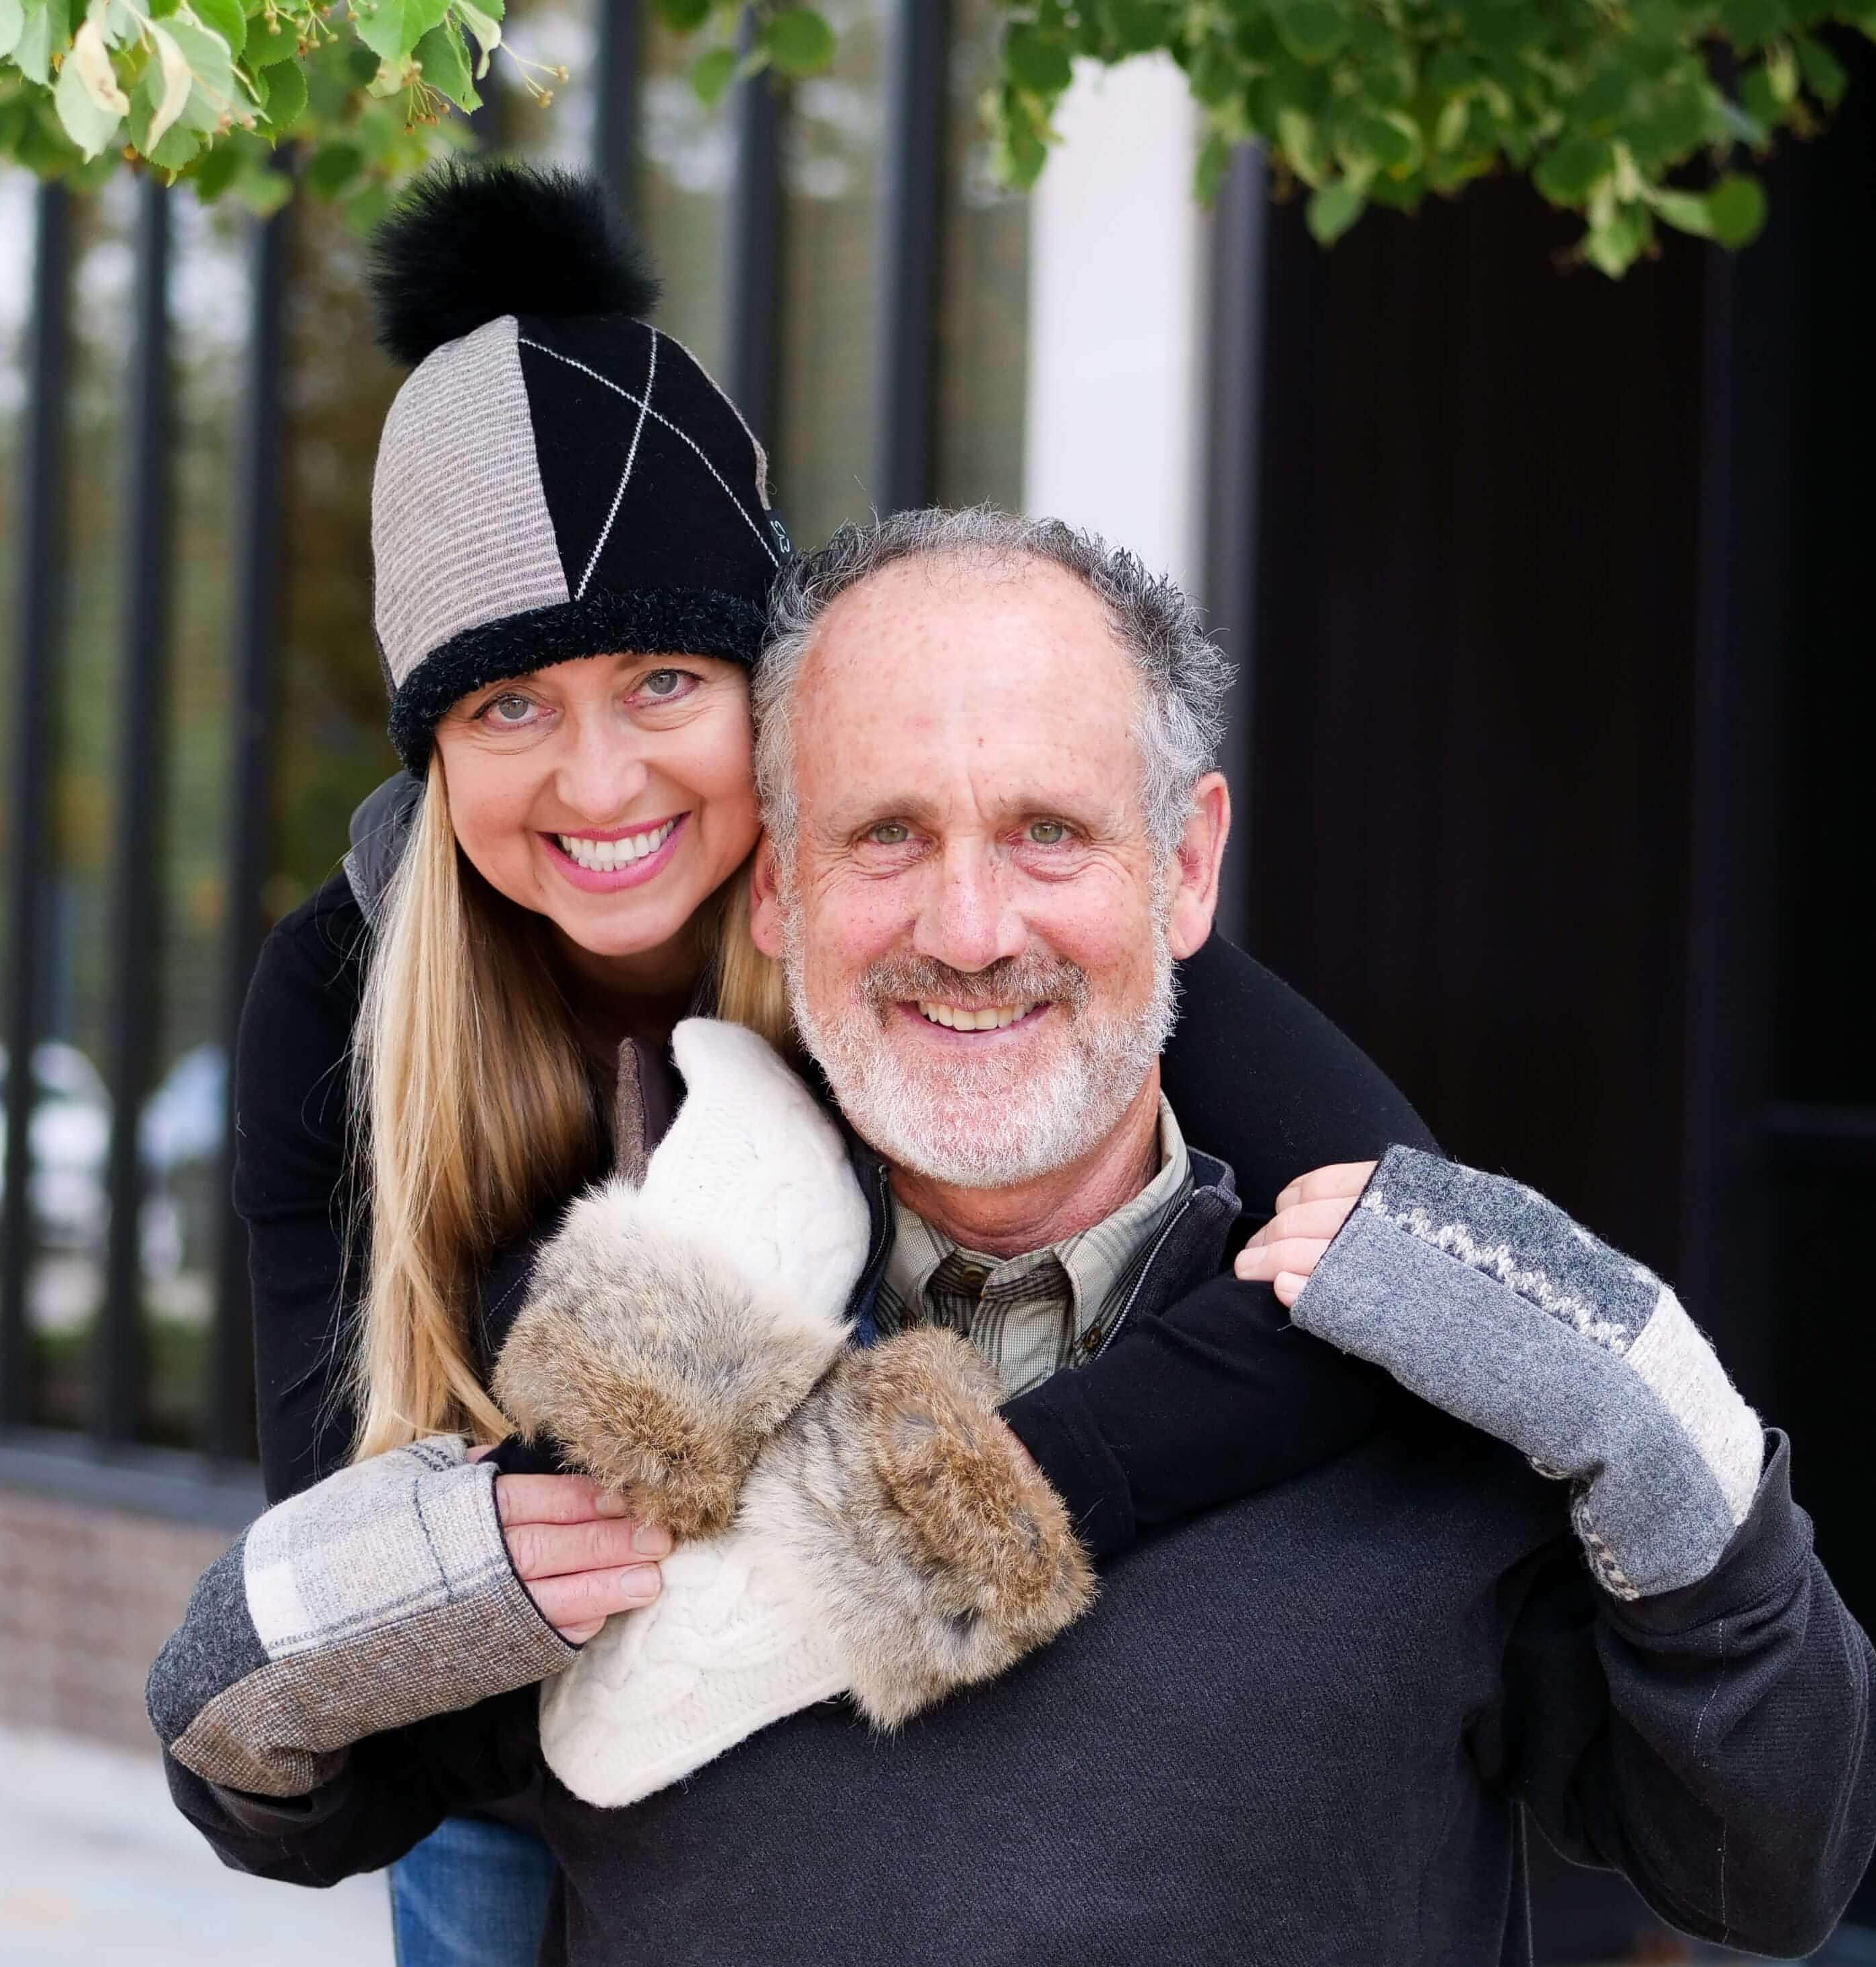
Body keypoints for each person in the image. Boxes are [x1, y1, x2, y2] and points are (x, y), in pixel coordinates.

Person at [157, 508, 1876, 1963]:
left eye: (1048, 833)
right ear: (775, 890)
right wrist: (299, 1612)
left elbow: (1772, 1857)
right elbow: (292, 1782)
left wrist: (1673, 1442)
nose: (969, 928)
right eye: (886, 836)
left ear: (1184, 872)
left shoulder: (1428, 1383)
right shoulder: (631, 1344)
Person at [235, 164, 1439, 1964]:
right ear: (431, 748)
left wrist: (968, 1510)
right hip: (525, 1749)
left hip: (956, 1719)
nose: (600, 782)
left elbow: (1396, 1262)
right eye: (509, 707)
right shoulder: (339, 993)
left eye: (662, 680)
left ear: (769, 681)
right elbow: (333, 1547)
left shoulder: (919, 914)